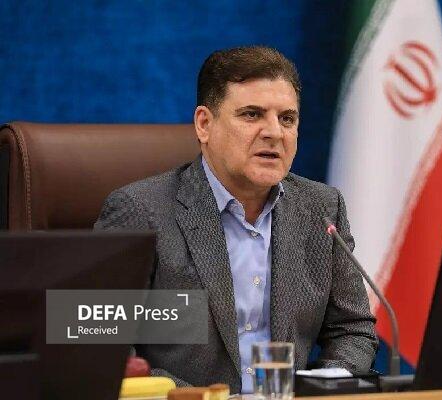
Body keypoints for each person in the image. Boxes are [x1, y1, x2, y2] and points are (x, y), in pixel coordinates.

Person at [95, 46, 377, 394]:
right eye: (252, 115)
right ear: (204, 124)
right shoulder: (139, 211)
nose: (274, 132)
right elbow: (99, 344)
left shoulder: (321, 208)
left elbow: (352, 329)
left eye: (287, 119)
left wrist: (317, 389)